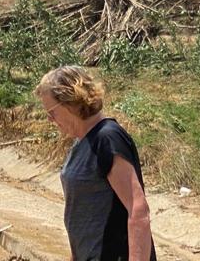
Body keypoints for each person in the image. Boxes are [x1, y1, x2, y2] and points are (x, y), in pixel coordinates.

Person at [37, 65, 155, 261]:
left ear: (71, 102)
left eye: (52, 112)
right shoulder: (83, 142)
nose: (50, 120)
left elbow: (138, 210)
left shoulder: (107, 138)